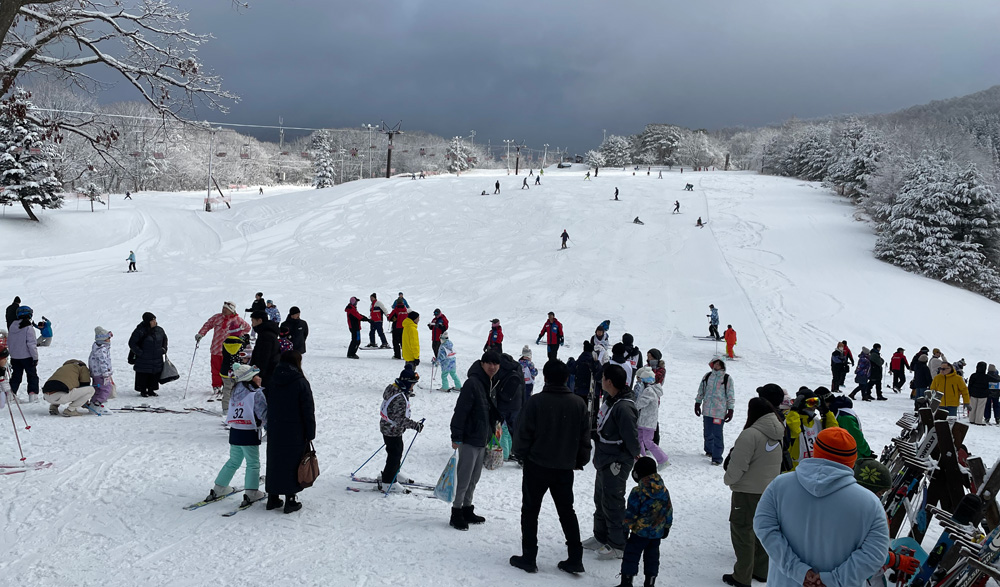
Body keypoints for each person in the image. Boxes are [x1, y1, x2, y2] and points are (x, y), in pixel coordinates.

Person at [753, 428, 889, 587]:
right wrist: (833, 580)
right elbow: (875, 554)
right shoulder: (870, 503)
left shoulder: (779, 486)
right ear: (852, 459)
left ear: (815, 451)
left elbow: (765, 528)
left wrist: (797, 571)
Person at [509, 359, 592, 574]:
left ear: (545, 377)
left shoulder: (536, 402)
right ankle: (575, 557)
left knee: (530, 511)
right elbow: (585, 439)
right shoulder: (578, 403)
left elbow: (522, 435)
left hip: (537, 465)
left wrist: (522, 455)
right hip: (564, 467)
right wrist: (578, 461)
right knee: (567, 511)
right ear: (566, 378)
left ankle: (529, 557)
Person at [722, 398, 784, 587]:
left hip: (747, 491)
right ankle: (761, 570)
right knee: (762, 530)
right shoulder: (779, 430)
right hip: (769, 490)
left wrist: (728, 480)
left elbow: (738, 464)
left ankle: (742, 576)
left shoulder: (751, 434)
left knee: (743, 532)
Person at [584, 364, 640, 560]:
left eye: (603, 378)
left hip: (616, 460)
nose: (601, 381)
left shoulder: (624, 407)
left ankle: (618, 544)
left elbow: (632, 438)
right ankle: (601, 536)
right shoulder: (611, 399)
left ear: (609, 381)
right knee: (600, 498)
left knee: (613, 501)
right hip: (604, 457)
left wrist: (633, 458)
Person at [449, 351, 502, 531]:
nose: (492, 367)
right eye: (489, 363)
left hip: (482, 437)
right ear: (482, 364)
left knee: (474, 477)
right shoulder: (473, 382)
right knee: (464, 477)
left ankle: (467, 508)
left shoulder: (489, 382)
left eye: (495, 364)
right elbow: (461, 410)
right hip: (470, 437)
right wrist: (456, 435)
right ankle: (456, 511)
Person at [207, 364, 268, 507]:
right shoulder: (256, 393)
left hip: (235, 430)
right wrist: (269, 428)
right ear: (250, 379)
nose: (260, 378)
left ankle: (219, 488)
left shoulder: (235, 391)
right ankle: (252, 492)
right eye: (256, 376)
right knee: (253, 464)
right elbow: (263, 414)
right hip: (249, 432)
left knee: (234, 461)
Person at [264, 351, 316, 514]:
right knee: (292, 462)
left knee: (275, 460)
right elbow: (308, 409)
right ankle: (290, 499)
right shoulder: (300, 382)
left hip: (275, 426)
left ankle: (272, 497)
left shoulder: (273, 378)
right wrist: (310, 432)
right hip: (295, 428)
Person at [612, 456, 672, 587]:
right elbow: (668, 509)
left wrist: (625, 529)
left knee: (631, 556)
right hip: (656, 533)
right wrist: (667, 526)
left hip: (639, 533)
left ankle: (626, 582)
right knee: (652, 558)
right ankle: (650, 582)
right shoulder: (663, 490)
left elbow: (631, 513)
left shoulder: (638, 491)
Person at [379, 364, 423, 488]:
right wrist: (415, 425)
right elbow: (398, 419)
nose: (413, 387)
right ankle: (388, 481)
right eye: (412, 384)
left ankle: (394, 473)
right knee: (394, 454)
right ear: (406, 383)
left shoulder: (394, 389)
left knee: (397, 451)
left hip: (390, 428)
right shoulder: (399, 397)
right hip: (392, 429)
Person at [196, 302, 250, 396]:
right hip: (216, 349)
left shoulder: (237, 320)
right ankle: (216, 386)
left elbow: (247, 328)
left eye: (226, 308)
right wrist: (201, 334)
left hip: (230, 350)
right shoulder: (217, 317)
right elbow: (207, 325)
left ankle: (228, 385)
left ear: (231, 310)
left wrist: (239, 335)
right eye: (223, 308)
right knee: (215, 369)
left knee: (229, 369)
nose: (223, 310)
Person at [786, 387, 839, 470]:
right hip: (796, 469)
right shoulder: (792, 421)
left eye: (816, 402)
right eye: (810, 403)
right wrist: (794, 411)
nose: (814, 407)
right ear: (802, 404)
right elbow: (794, 430)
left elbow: (834, 431)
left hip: (814, 468)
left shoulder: (816, 422)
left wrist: (826, 412)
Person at [695, 358, 735, 466]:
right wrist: (697, 403)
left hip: (719, 412)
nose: (716, 366)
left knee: (717, 433)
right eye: (715, 363)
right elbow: (701, 390)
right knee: (707, 432)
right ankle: (709, 450)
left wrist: (730, 409)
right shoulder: (707, 376)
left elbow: (730, 394)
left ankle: (717, 457)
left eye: (719, 364)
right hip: (707, 410)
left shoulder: (727, 378)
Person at [633, 366, 668, 468]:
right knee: (639, 440)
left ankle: (663, 459)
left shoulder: (649, 391)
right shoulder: (649, 389)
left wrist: (632, 407)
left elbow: (641, 403)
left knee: (648, 441)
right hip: (643, 420)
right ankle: (641, 459)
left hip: (648, 422)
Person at [129, 312, 167, 398]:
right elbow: (132, 343)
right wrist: (140, 353)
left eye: (155, 320)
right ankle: (143, 390)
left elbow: (165, 339)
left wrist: (164, 349)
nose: (155, 322)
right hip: (143, 358)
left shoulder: (159, 330)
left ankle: (151, 390)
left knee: (154, 373)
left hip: (157, 357)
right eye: (152, 320)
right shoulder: (139, 330)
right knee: (143, 374)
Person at [8, 306, 39, 402]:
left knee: (16, 376)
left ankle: (11, 395)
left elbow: (10, 342)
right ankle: (32, 395)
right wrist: (35, 357)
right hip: (27, 357)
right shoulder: (28, 328)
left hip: (15, 357)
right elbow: (31, 344)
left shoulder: (12, 326)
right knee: (32, 375)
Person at [249, 311, 281, 385]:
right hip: (269, 372)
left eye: (253, 321)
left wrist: (258, 374)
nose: (252, 324)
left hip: (266, 375)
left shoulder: (266, 336)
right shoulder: (265, 333)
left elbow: (263, 357)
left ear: (259, 320)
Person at [87, 327, 114, 413]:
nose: (109, 340)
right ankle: (99, 404)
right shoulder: (102, 350)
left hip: (96, 374)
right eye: (108, 338)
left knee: (98, 389)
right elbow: (103, 362)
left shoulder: (96, 348)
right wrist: (106, 374)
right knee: (106, 388)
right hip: (102, 374)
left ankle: (93, 404)